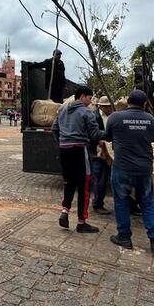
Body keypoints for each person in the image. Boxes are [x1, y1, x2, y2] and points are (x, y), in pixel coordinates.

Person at [105, 89, 154, 256]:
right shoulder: (150, 120)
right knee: (147, 203)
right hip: (144, 169)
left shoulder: (115, 117)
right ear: (144, 104)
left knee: (121, 202)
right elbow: (151, 138)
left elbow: (108, 137)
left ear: (128, 101)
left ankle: (124, 237)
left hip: (122, 168)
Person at [51, 85, 106, 233]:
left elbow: (54, 128)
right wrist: (108, 133)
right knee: (84, 186)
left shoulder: (62, 109)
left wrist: (62, 141)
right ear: (81, 97)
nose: (90, 101)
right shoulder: (86, 112)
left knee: (68, 182)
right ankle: (82, 222)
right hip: (79, 151)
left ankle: (65, 212)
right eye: (89, 98)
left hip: (64, 150)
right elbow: (95, 134)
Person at [90, 96, 113, 215]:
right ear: (101, 106)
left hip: (111, 151)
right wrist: (98, 141)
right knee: (100, 179)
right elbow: (89, 134)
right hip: (98, 153)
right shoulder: (94, 117)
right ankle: (97, 204)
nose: (109, 108)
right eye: (107, 106)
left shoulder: (113, 116)